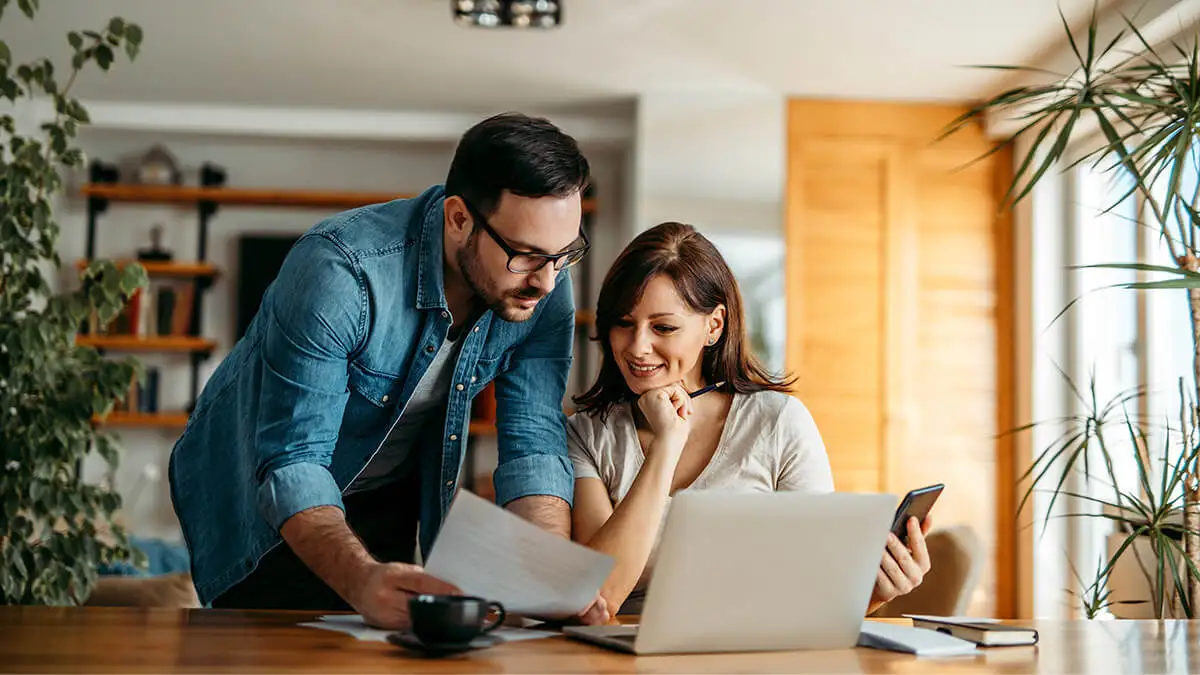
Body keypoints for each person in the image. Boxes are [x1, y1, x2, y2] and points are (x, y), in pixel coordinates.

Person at [169, 112, 607, 627]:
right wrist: (357, 579)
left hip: (386, 491)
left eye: (564, 255)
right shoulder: (339, 273)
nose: (547, 282)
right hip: (262, 498)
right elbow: (294, 461)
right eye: (527, 255)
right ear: (459, 218)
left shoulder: (544, 281)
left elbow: (533, 437)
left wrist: (547, 573)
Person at [567, 222, 932, 615]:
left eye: (664, 327)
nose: (637, 347)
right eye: (624, 323)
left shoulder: (778, 424)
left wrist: (875, 594)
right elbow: (600, 598)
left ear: (714, 325)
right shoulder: (586, 434)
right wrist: (667, 444)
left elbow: (819, 594)